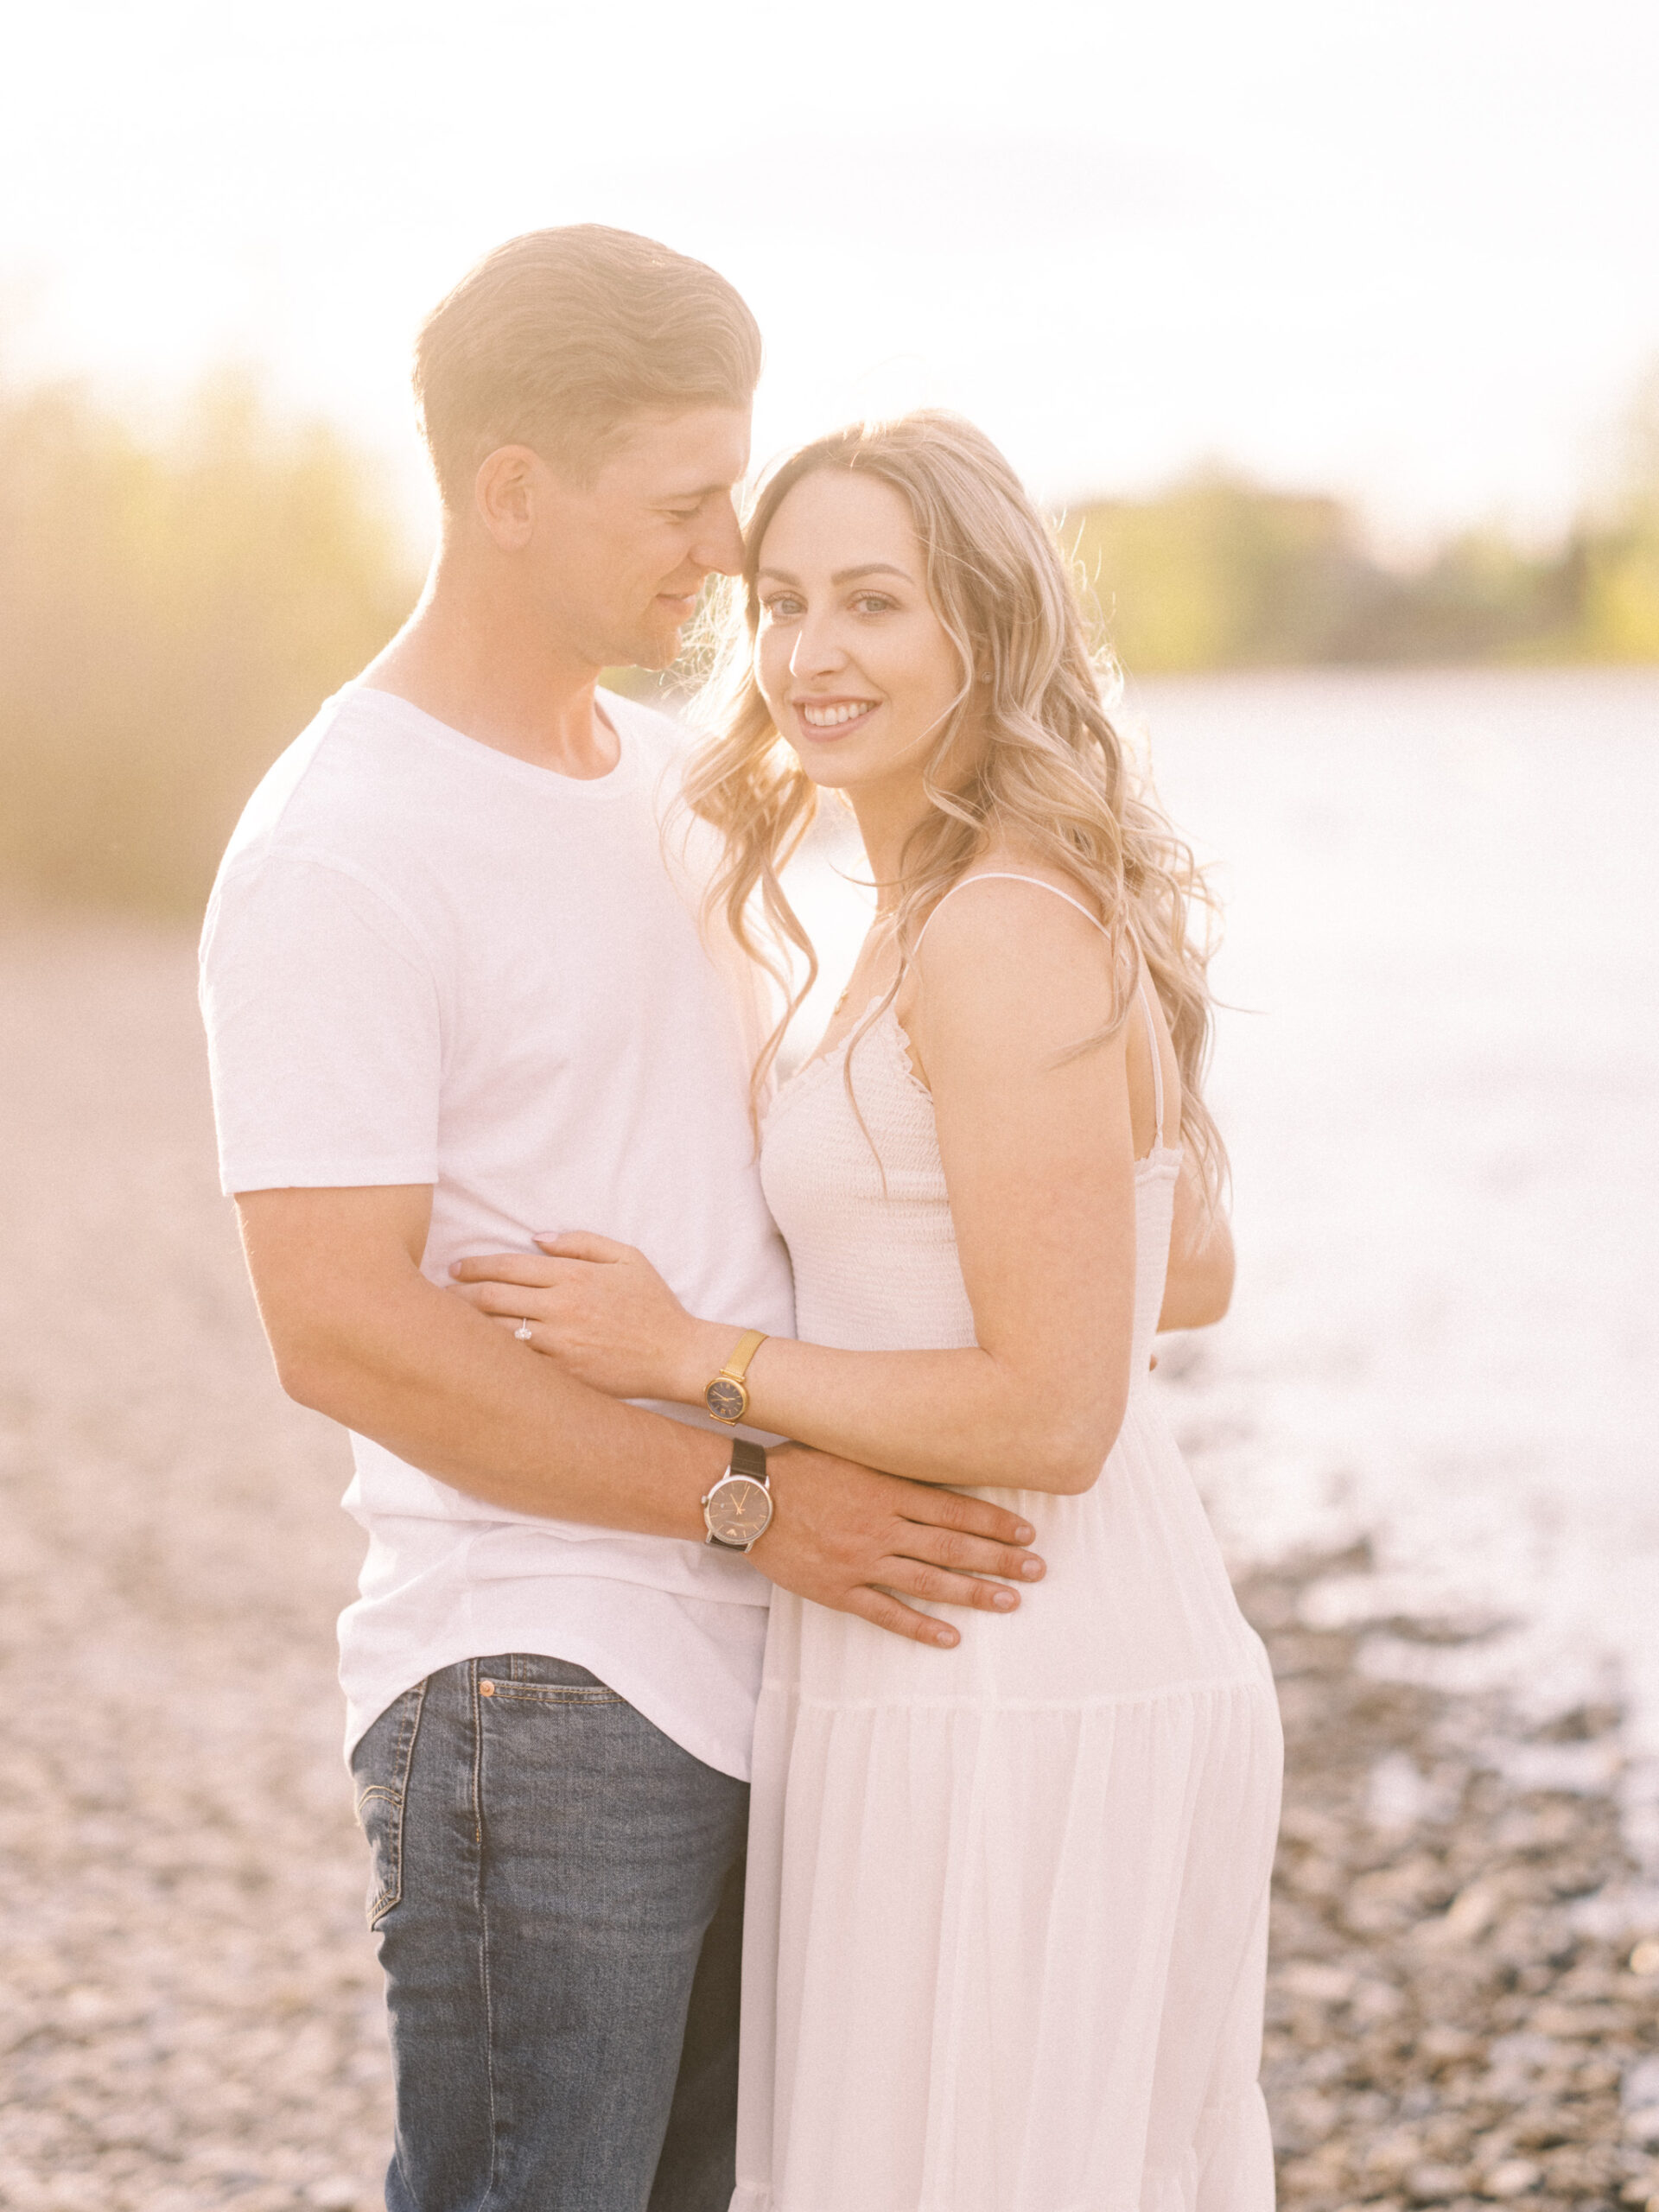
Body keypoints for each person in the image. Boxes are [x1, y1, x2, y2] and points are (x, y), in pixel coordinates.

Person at [198, 234, 1050, 2212]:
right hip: (541, 1680)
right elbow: (335, 1324)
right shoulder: (343, 843)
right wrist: (752, 1499)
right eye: (684, 504)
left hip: (778, 1656)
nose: (722, 556)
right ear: (514, 492)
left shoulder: (682, 782)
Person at [455, 411, 1281, 2209]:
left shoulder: (995, 924)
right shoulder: (931, 909)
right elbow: (1190, 1258)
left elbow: (1060, 1409)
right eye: (783, 601)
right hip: (963, 1625)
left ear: (978, 631)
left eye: (872, 605)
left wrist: (698, 1356)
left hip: (1020, 1645)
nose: (812, 654)